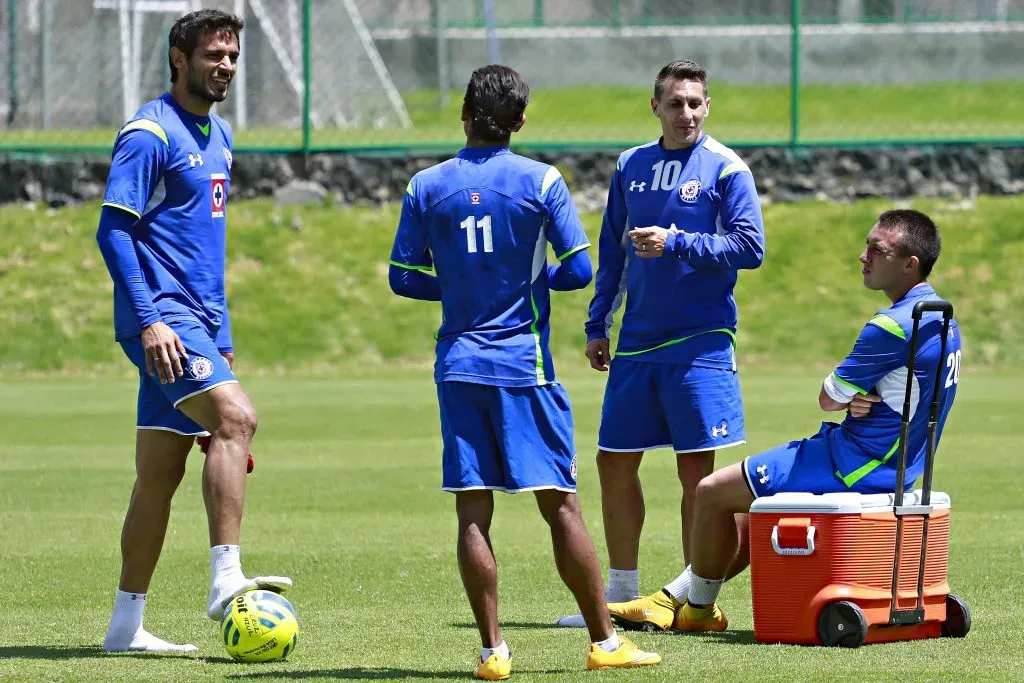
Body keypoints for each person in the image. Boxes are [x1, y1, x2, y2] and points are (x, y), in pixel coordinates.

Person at [389, 65, 661, 679]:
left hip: (458, 365)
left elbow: (402, 276)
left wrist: (459, 289)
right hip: (523, 366)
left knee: (472, 513)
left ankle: (492, 653)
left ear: (463, 111)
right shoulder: (542, 181)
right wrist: (528, 282)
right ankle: (604, 642)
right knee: (560, 505)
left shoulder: (426, 186)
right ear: (520, 120)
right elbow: (581, 270)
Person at [608, 209, 961, 632]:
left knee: (710, 491)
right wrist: (871, 396)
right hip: (901, 465)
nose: (863, 256)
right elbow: (916, 392)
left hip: (853, 463)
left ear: (910, 264)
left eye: (877, 250)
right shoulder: (942, 316)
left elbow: (829, 397)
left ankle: (697, 611)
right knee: (743, 502)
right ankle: (672, 600)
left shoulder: (891, 325)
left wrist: (854, 398)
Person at [96, 9, 290, 653]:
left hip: (197, 324)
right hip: (163, 320)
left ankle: (124, 630)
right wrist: (150, 321)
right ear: (179, 57)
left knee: (160, 472)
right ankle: (224, 576)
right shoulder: (148, 134)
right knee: (237, 420)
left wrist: (224, 338)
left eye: (233, 56)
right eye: (213, 55)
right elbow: (113, 230)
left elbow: (205, 246)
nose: (226, 66)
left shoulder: (220, 135)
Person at [557, 59, 764, 628]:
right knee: (612, 463)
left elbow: (749, 247)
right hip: (637, 343)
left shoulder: (727, 168)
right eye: (675, 103)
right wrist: (599, 323)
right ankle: (618, 597)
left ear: (708, 106)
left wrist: (677, 242)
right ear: (656, 107)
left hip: (700, 342)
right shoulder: (631, 165)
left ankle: (695, 599)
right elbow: (615, 252)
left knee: (697, 476)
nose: (687, 113)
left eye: (696, 102)